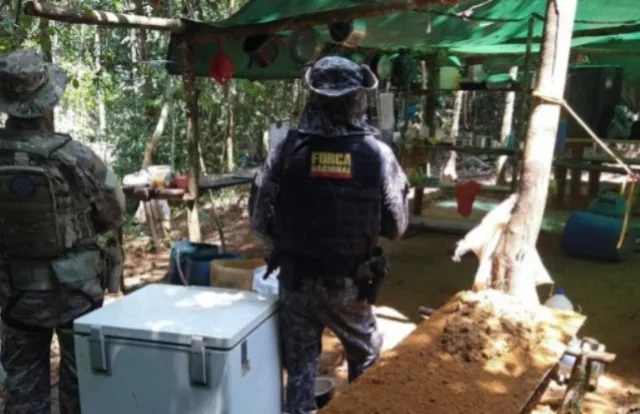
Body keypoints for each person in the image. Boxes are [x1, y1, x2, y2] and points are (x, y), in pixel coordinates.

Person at [249, 56, 409, 414]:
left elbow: (259, 223)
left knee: (302, 372)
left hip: (296, 284)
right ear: (357, 99)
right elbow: (397, 227)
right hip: (350, 288)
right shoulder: (378, 154)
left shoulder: (286, 150)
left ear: (313, 97)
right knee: (365, 358)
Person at [0, 49, 126, 414]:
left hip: (15, 292)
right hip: (76, 291)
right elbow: (115, 211)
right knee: (82, 381)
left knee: (24, 385)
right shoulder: (75, 157)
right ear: (46, 105)